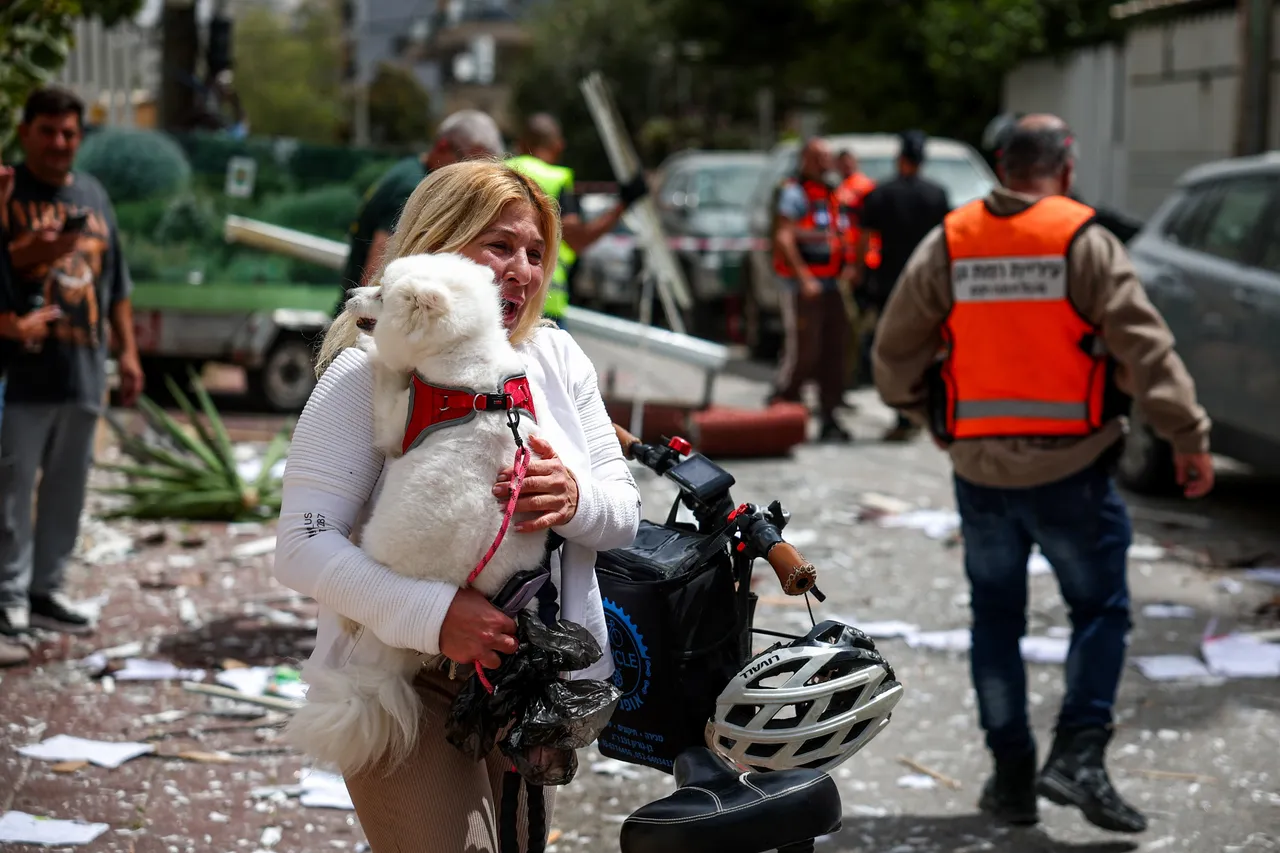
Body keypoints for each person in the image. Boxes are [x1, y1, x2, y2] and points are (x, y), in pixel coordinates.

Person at [273, 160, 642, 851]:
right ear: (439, 243)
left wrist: (572, 496)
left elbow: (623, 514)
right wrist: (436, 618)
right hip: (400, 685)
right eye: (499, 245)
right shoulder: (367, 365)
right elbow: (300, 543)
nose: (522, 270)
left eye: (535, 253)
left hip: (530, 683)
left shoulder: (558, 358)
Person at [872, 114, 1215, 834]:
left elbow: (895, 349)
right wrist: (1187, 435)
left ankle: (1014, 777)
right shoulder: (1084, 241)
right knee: (1099, 611)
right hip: (1074, 469)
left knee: (996, 619)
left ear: (1001, 165)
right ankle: (1081, 754)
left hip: (981, 470)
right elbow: (1146, 351)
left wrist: (922, 412)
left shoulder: (953, 241)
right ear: (1066, 165)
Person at [0, 87, 143, 639]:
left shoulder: (94, 195)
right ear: (25, 132)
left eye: (69, 133)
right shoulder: (8, 192)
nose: (60, 143)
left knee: (68, 487)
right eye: (48, 131)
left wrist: (128, 353)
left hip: (84, 369)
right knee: (11, 488)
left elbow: (117, 287)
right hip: (22, 372)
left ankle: (45, 589)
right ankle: (7, 595)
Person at [339, 109, 505, 307]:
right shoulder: (414, 188)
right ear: (443, 146)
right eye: (469, 163)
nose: (472, 176)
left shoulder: (411, 170)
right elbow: (378, 266)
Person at [507, 113, 648, 326]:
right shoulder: (556, 178)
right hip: (543, 303)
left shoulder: (498, 171)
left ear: (520, 143)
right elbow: (578, 240)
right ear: (558, 146)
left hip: (499, 295)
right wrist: (623, 204)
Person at [856, 130, 950, 441]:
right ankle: (928, 412)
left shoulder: (881, 194)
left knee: (897, 350)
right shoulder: (937, 194)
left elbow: (866, 240)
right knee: (931, 347)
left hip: (890, 285)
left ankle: (903, 414)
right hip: (931, 284)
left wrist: (860, 273)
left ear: (900, 159)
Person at [768, 137, 851, 443]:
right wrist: (804, 278)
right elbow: (784, 237)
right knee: (804, 351)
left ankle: (830, 416)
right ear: (805, 160)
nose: (825, 164)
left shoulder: (831, 193)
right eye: (818, 158)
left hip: (831, 285)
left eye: (827, 158)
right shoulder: (794, 193)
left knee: (834, 350)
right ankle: (782, 407)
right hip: (804, 288)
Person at [834, 150, 879, 390]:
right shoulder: (838, 188)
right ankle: (854, 373)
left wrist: (857, 265)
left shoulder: (862, 188)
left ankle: (861, 371)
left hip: (863, 262)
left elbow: (864, 230)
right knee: (854, 323)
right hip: (850, 261)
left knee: (861, 321)